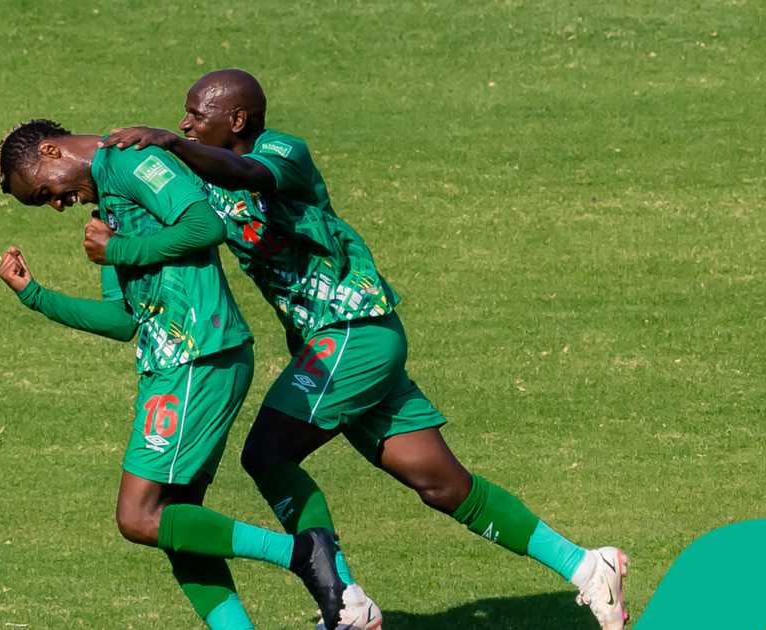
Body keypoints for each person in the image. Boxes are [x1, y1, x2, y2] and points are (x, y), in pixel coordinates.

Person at [96, 69, 630, 630]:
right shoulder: (199, 177)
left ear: (237, 120)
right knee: (441, 484)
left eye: (195, 116)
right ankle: (587, 566)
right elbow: (167, 201)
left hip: (353, 330)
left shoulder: (282, 151)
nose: (184, 123)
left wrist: (173, 143)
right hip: (331, 347)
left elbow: (248, 171)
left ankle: (344, 599)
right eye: (181, 117)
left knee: (268, 454)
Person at [0, 118, 353, 630]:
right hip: (172, 363)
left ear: (50, 151)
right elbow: (122, 321)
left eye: (45, 191)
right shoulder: (107, 206)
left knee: (138, 516)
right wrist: (36, 296)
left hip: (198, 356)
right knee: (176, 525)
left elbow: (206, 226)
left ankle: (301, 553)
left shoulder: (131, 161)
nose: (55, 204)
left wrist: (119, 250)